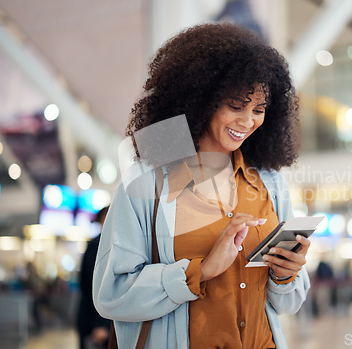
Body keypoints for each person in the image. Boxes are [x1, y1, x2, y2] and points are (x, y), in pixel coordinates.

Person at [93, 23, 311, 349]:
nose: (248, 121)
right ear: (200, 99)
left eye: (259, 110)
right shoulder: (146, 183)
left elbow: (286, 305)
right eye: (236, 106)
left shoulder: (270, 184)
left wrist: (285, 275)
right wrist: (200, 272)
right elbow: (111, 295)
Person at [77, 207, 111, 349]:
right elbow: (96, 286)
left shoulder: (101, 244)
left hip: (98, 318)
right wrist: (100, 324)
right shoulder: (98, 246)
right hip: (95, 321)